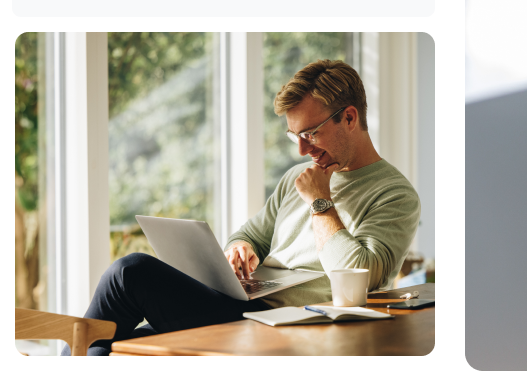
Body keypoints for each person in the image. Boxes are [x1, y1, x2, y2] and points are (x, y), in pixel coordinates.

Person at [72, 59, 420, 356]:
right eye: (294, 135)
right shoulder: (297, 177)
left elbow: (358, 273)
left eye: (311, 133)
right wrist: (240, 248)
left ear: (349, 117)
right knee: (109, 345)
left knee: (129, 273)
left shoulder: (395, 195)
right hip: (244, 306)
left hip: (294, 323)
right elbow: (250, 234)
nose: (301, 150)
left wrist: (320, 202)